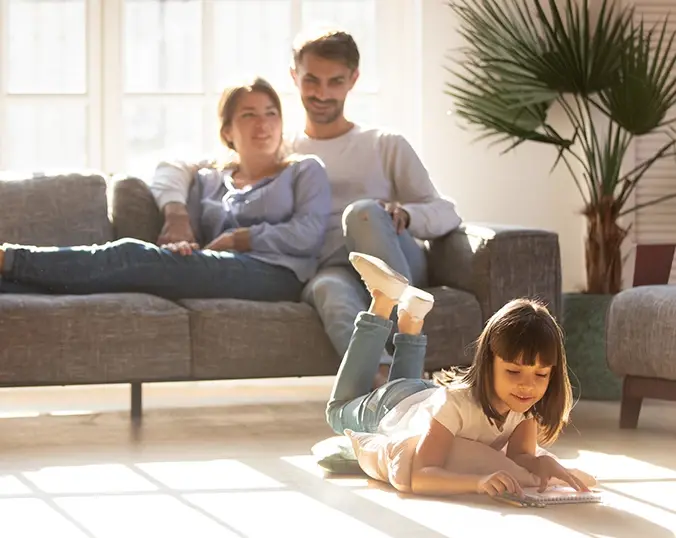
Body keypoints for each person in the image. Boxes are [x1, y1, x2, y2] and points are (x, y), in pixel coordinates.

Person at [0, 78, 331, 302]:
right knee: (116, 273)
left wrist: (238, 238)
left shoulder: (304, 169)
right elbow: (199, 243)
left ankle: (10, 257)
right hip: (216, 267)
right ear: (228, 131)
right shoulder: (209, 180)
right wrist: (184, 242)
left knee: (130, 255)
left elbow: (308, 234)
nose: (263, 124)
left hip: (278, 274)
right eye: (249, 115)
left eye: (271, 114)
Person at [327, 252, 590, 498]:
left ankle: (412, 320)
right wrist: (477, 482)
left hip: (419, 396)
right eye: (513, 371)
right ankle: (382, 302)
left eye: (541, 375)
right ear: (488, 362)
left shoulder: (524, 406)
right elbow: (420, 476)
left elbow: (519, 457)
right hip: (390, 405)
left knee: (404, 391)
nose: (527, 385)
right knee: (337, 412)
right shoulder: (456, 405)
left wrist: (539, 462)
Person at [288, 30, 463, 385]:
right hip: (331, 267)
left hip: (390, 256)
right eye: (311, 81)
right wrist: (177, 211)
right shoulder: (282, 151)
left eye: (335, 81)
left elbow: (447, 213)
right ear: (295, 77)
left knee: (362, 212)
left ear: (353, 79)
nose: (322, 94)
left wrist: (407, 214)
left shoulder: (385, 145)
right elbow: (191, 166)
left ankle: (407, 343)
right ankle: (386, 387)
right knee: (326, 290)